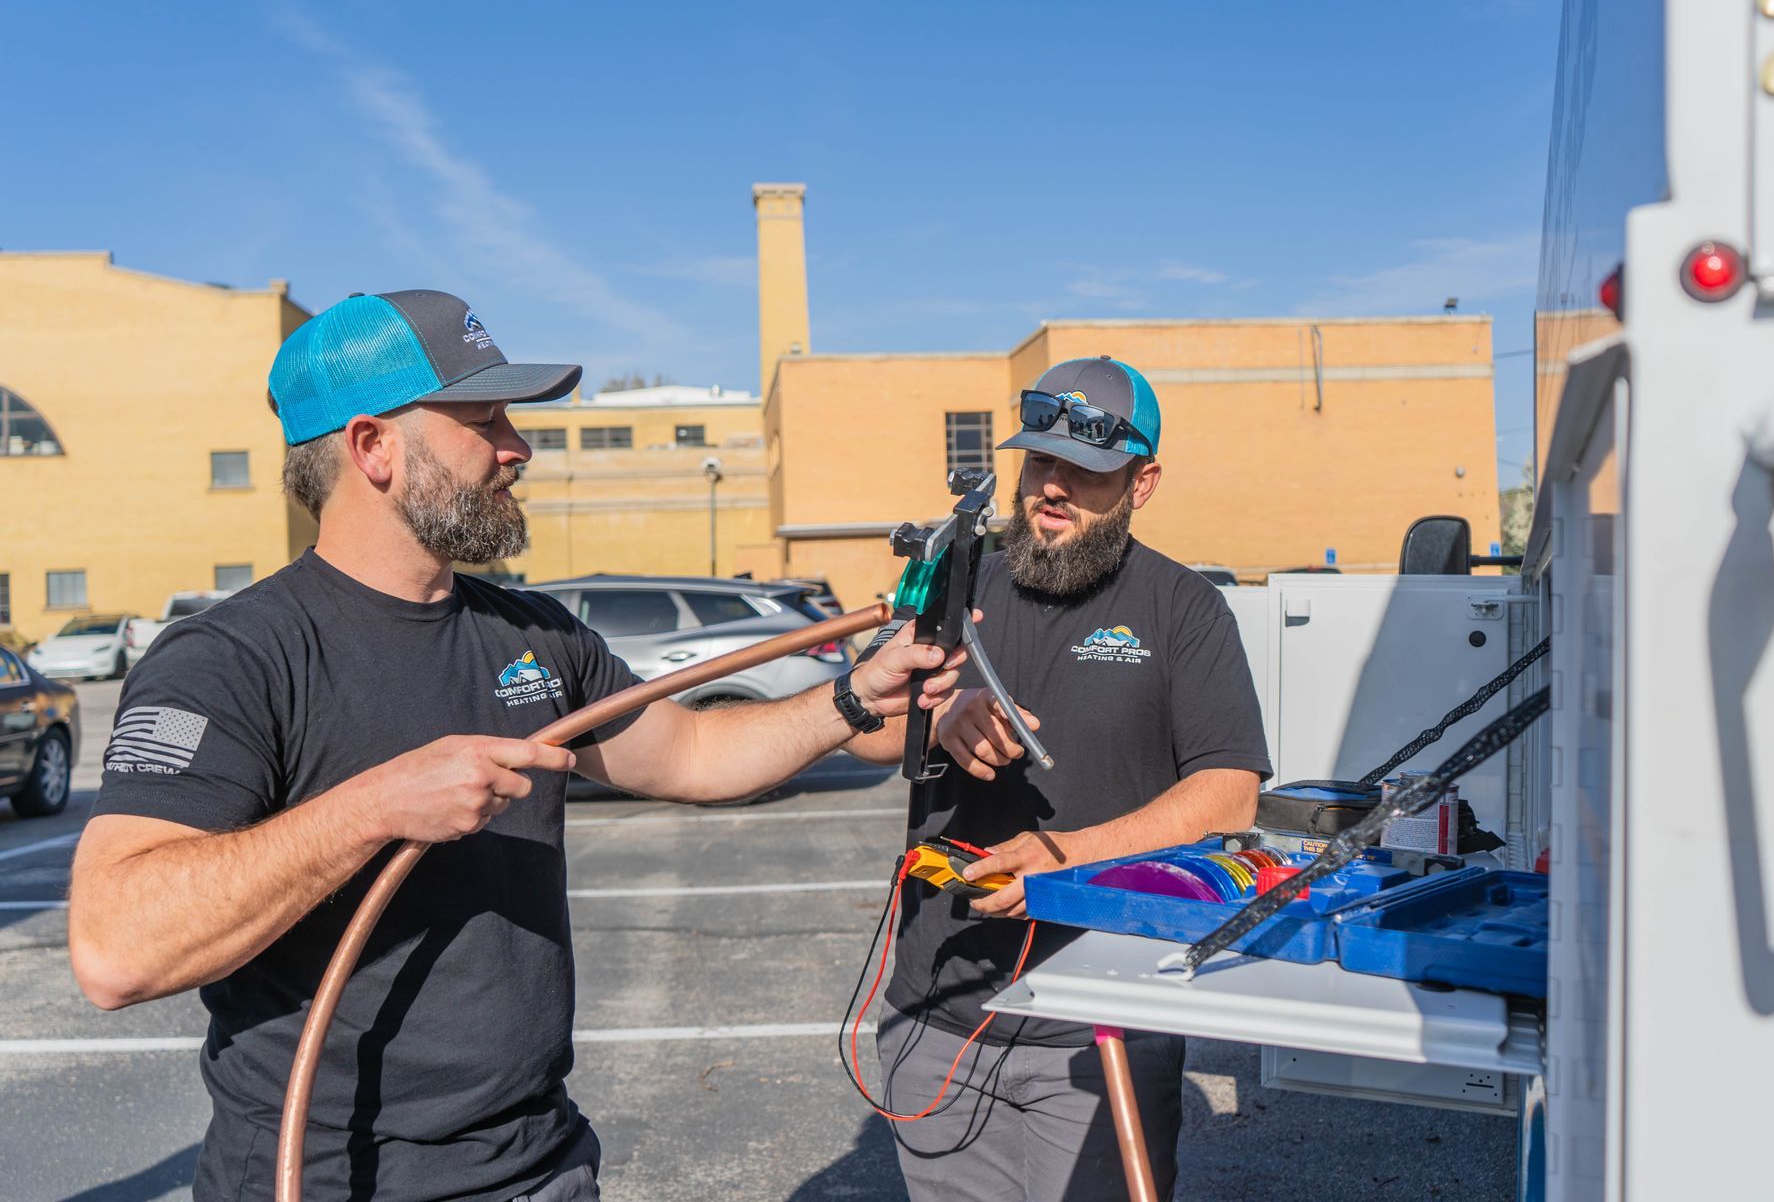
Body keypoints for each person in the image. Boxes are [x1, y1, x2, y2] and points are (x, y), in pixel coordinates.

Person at [66, 290, 964, 1202]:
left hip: (538, 1165)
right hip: (330, 1176)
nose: (518, 447)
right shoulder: (232, 659)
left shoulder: (534, 635)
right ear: (371, 447)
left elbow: (691, 753)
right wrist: (371, 808)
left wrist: (852, 700)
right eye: (482, 418)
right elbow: (116, 949)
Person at [844, 356, 1272, 1201]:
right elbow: (861, 731)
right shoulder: (956, 586)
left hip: (1100, 1029)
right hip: (936, 1015)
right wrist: (937, 712)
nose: (1054, 487)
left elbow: (1230, 794)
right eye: (1041, 462)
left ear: (1142, 483)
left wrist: (1063, 853)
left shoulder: (1183, 608)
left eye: (1085, 472)